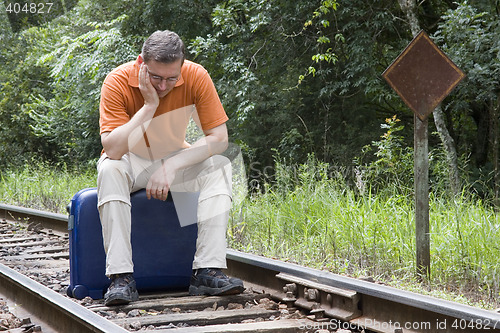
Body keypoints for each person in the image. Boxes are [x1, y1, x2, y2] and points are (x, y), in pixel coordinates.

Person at [97, 30, 243, 306]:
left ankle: (207, 271)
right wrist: (149, 105)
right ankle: (121, 277)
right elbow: (114, 148)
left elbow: (219, 138)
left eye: (171, 78)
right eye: (156, 77)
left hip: (174, 158)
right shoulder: (116, 80)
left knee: (220, 166)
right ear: (141, 63)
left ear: (182, 67)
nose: (163, 86)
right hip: (131, 159)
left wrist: (173, 164)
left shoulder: (196, 75)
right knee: (109, 169)